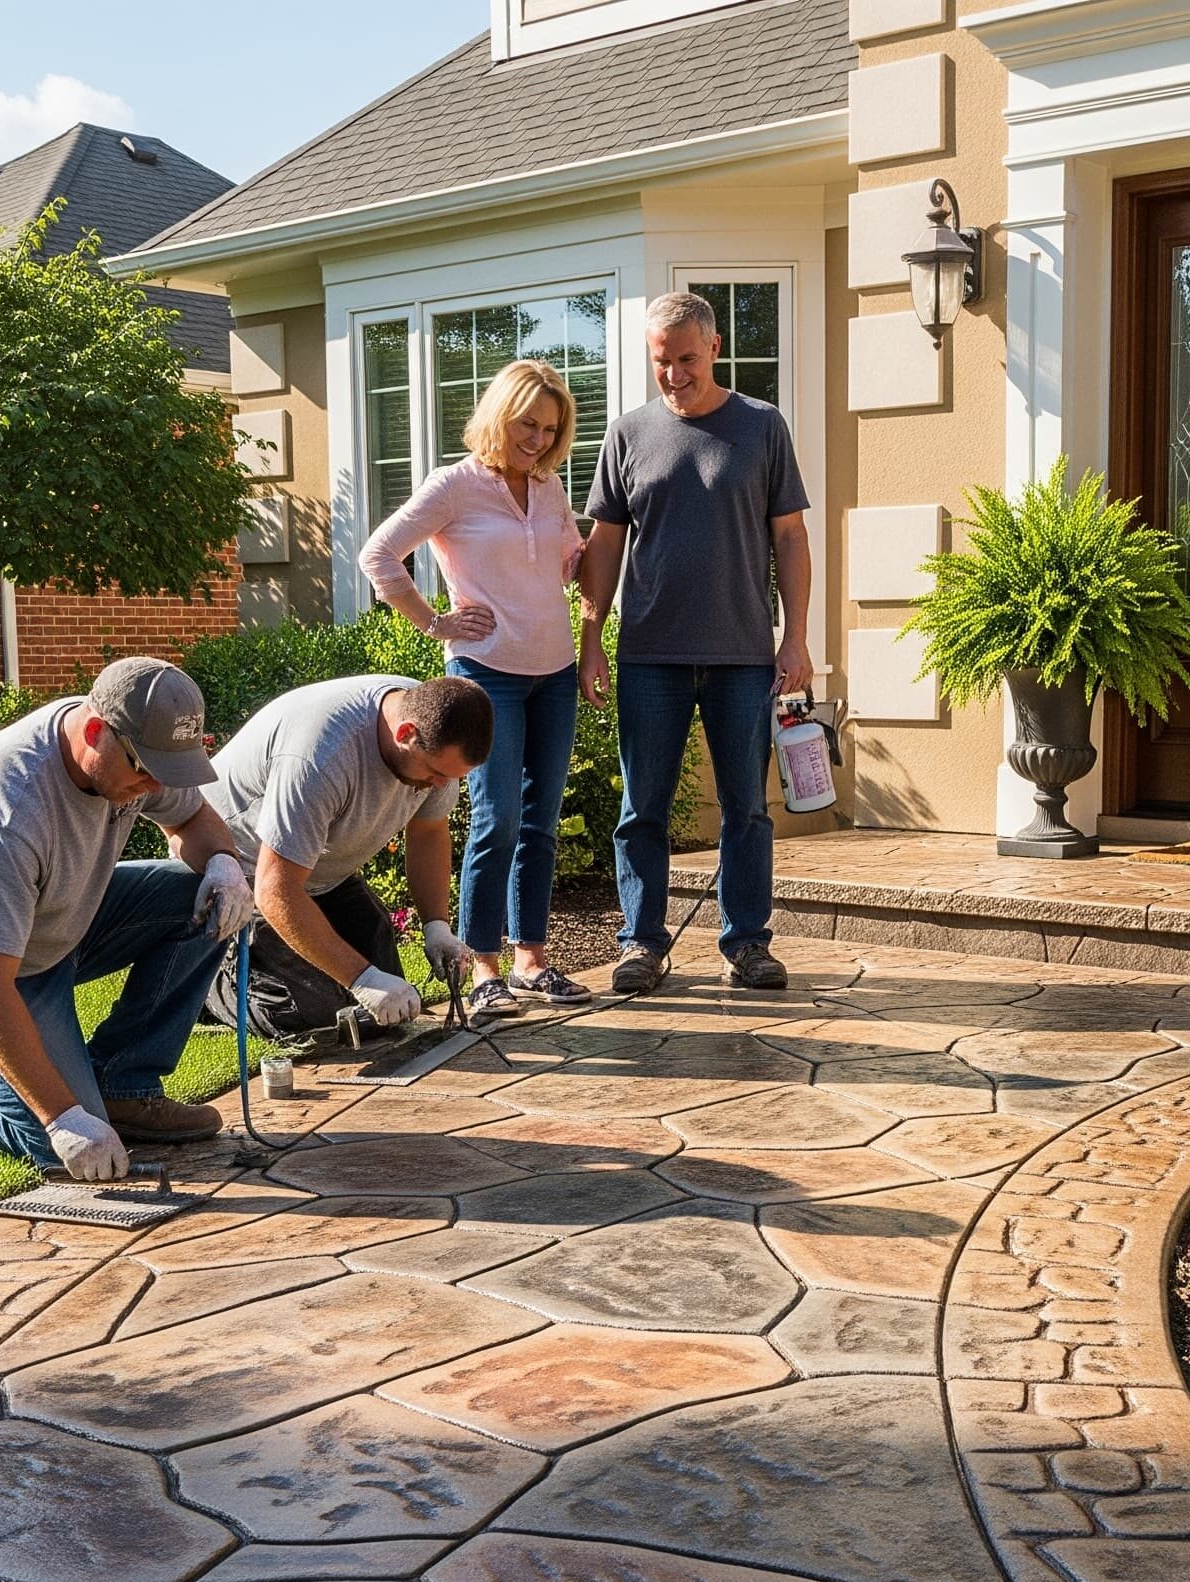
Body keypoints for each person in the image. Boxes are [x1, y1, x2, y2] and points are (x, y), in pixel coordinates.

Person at [0, 657, 255, 1182]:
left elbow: (192, 816)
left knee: (198, 897)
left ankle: (124, 1086)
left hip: (53, 922)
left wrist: (223, 863)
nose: (155, 786)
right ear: (94, 732)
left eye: (166, 771)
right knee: (51, 1138)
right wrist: (63, 1118)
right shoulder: (3, 814)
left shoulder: (133, 749)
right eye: (144, 770)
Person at [579, 289, 812, 993]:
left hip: (743, 654)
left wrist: (796, 638)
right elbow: (604, 545)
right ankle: (641, 945)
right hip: (650, 656)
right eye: (661, 361)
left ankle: (747, 944)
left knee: (747, 809)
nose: (674, 374)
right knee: (641, 810)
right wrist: (591, 637)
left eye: (686, 358)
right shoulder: (628, 434)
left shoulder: (762, 426)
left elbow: (791, 538)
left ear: (714, 347)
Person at [358, 359, 589, 1023]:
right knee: (499, 818)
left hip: (554, 672)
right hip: (486, 674)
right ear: (499, 416)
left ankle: (530, 960)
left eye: (550, 429)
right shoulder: (454, 486)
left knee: (541, 819)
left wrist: (617, 526)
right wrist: (435, 622)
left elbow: (570, 565)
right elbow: (378, 555)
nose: (538, 440)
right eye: (527, 424)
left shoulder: (548, 487)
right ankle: (483, 967)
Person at [198, 673, 494, 1040]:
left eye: (451, 777)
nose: (441, 786)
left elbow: (429, 831)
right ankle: (206, 980)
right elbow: (275, 891)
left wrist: (437, 927)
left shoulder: (433, 725)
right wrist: (361, 979)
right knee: (309, 1012)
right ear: (405, 734)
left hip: (315, 869)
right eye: (435, 773)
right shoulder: (321, 756)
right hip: (240, 870)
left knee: (390, 1006)